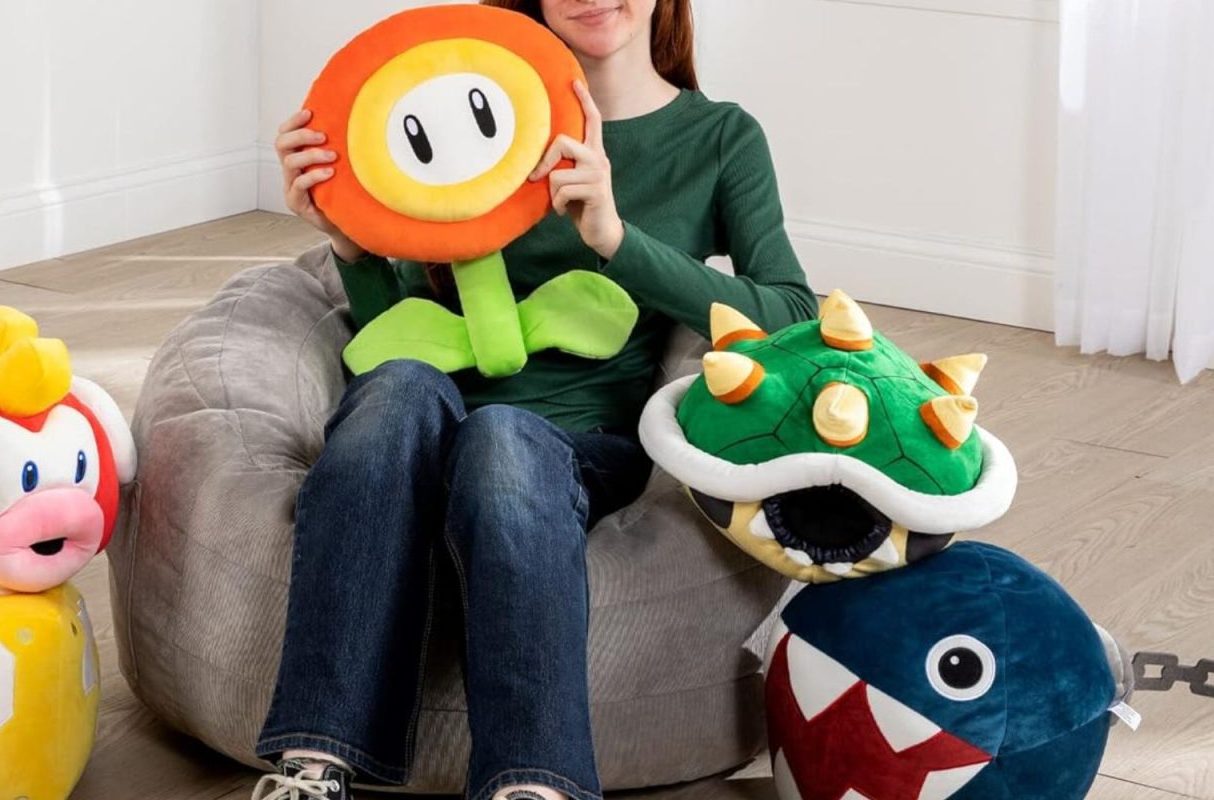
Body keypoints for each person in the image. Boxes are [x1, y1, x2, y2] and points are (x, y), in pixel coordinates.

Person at [252, 2, 816, 799]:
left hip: (578, 444)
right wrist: (350, 240)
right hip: (433, 415)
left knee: (504, 440)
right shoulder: (473, 105)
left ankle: (533, 784)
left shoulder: (719, 137)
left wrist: (617, 238)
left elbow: (792, 318)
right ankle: (314, 765)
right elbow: (407, 333)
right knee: (392, 391)